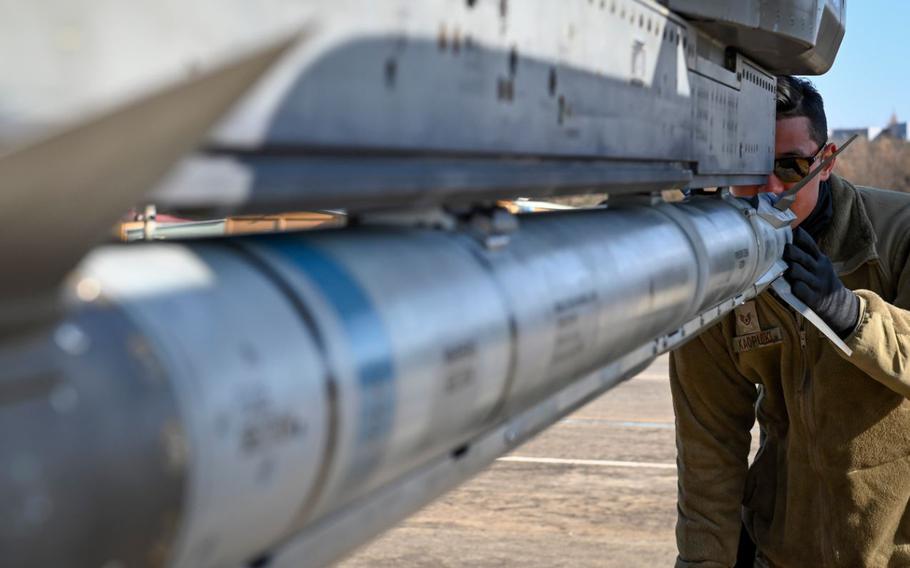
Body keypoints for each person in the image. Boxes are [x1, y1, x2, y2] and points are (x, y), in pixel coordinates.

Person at [670, 75, 910, 567]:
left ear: (826, 162)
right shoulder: (720, 271)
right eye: (749, 167)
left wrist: (848, 315)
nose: (772, 188)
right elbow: (708, 449)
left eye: (791, 165)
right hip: (783, 552)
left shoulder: (897, 234)